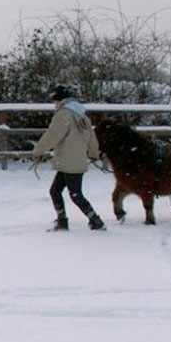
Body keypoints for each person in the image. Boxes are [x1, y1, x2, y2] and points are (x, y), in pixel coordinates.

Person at [33, 85, 106, 232]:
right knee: (56, 191)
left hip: (68, 161)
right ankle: (63, 220)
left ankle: (95, 220)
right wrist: (93, 153)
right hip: (73, 161)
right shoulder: (82, 116)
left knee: (75, 195)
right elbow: (91, 138)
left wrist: (39, 150)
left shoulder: (63, 115)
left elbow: (52, 136)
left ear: (58, 100)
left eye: (54, 101)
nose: (54, 104)